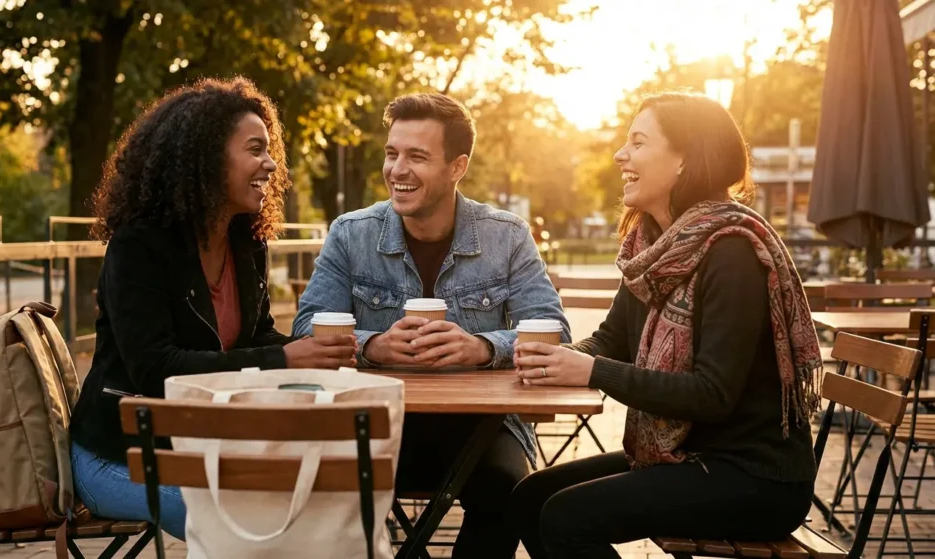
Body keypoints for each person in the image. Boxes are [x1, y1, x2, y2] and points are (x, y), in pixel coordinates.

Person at [510, 92, 823, 559]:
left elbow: (712, 395)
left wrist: (590, 372)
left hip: (754, 477)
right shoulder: (654, 249)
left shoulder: (731, 252)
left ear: (684, 160)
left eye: (638, 142)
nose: (621, 155)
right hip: (691, 458)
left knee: (565, 518)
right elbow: (611, 339)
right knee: (530, 498)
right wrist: (561, 358)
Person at [69, 77, 358, 540]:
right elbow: (156, 370)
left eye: (270, 150)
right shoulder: (139, 246)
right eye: (255, 149)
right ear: (206, 159)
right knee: (263, 522)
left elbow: (258, 336)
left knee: (334, 498)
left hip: (210, 446)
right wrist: (283, 359)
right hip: (120, 456)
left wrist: (312, 351)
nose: (271, 164)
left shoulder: (246, 241)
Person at [291, 92, 570, 557]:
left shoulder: (508, 235)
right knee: (330, 488)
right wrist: (373, 345)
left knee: (509, 491)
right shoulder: (350, 233)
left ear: (457, 167)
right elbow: (305, 328)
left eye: (416, 156)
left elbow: (553, 330)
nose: (397, 169)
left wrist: (482, 348)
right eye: (392, 153)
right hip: (379, 424)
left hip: (484, 426)